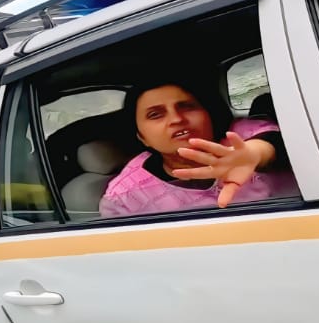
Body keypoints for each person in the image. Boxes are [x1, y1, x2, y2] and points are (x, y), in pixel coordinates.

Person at [99, 78, 299, 218]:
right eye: (155, 115)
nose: (177, 119)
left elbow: (279, 143)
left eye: (187, 106)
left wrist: (255, 154)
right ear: (142, 137)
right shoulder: (125, 196)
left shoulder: (242, 135)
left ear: (208, 114)